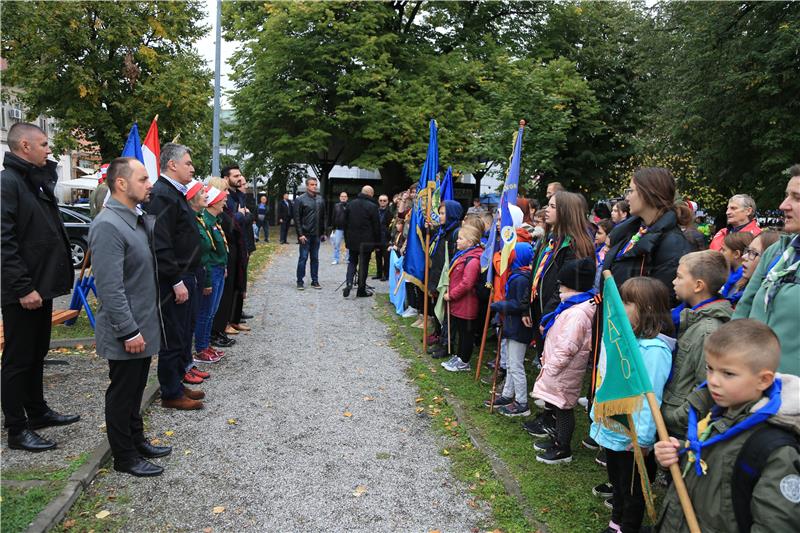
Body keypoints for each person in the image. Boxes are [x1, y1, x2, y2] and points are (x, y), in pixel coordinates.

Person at [654, 320, 799, 532]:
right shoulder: (718, 413)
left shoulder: (776, 449)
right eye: (709, 369)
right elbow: (713, 462)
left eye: (728, 373)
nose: (713, 380)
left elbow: (776, 525)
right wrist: (679, 453)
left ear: (763, 380)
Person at [89, 157, 170, 477]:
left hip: (142, 325)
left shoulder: (133, 219)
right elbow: (110, 288)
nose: (150, 184)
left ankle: (136, 440)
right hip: (128, 329)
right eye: (143, 179)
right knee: (122, 393)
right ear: (121, 184)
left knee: (136, 389)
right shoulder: (109, 224)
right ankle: (124, 456)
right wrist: (127, 331)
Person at [1, 122, 78, 452]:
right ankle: (17, 429)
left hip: (40, 288)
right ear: (24, 147)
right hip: (23, 292)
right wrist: (22, 287)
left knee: (37, 353)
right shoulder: (8, 183)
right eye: (44, 144)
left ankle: (37, 411)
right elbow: (4, 242)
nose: (50, 150)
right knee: (18, 360)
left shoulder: (34, 181)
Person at [590, 277, 673, 533]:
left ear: (647, 308)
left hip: (634, 439)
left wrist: (644, 440)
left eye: (626, 302)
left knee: (632, 489)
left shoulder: (654, 351)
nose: (618, 306)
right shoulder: (623, 342)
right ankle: (616, 523)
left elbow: (651, 401)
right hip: (615, 431)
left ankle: (628, 527)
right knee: (617, 482)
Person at [142, 143, 204, 411]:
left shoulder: (174, 193)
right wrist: (176, 279)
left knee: (182, 332)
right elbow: (161, 241)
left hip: (186, 273)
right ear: (172, 165)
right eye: (188, 163)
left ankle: (177, 382)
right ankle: (170, 391)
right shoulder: (163, 194)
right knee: (173, 335)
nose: (192, 168)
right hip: (174, 278)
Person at [733, 168, 800, 375]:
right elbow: (743, 310)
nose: (783, 206)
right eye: (786, 196)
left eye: (796, 198)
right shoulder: (776, 252)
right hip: (752, 387)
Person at [531, 258, 597, 464]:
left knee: (564, 408)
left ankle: (563, 449)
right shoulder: (571, 306)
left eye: (562, 284)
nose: (559, 287)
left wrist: (551, 367)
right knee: (558, 405)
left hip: (564, 370)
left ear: (572, 285)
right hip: (558, 368)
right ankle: (557, 440)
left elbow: (568, 346)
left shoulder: (578, 314)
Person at [663, 250, 732, 437]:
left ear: (698, 285)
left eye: (679, 277)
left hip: (681, 428)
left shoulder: (708, 331)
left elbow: (706, 387)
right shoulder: (691, 316)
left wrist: (676, 417)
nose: (673, 282)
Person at [603, 167, 692, 302]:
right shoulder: (635, 230)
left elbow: (658, 302)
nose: (626, 198)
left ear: (648, 193)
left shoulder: (673, 243)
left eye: (631, 191)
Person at [485, 242, 534, 417]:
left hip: (518, 328)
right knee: (511, 364)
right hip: (511, 326)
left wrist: (499, 305)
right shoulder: (517, 275)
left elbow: (518, 304)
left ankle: (522, 402)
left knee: (515, 365)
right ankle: (507, 394)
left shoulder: (521, 278)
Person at [192, 186, 229, 366]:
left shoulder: (215, 220)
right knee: (205, 312)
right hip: (211, 269)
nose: (225, 202)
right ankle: (201, 347)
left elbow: (219, 247)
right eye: (222, 199)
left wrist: (224, 263)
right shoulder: (205, 220)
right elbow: (206, 251)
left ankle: (206, 345)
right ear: (214, 202)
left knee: (212, 311)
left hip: (219, 267)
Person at [440, 225, 483, 372]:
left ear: (470, 242)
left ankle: (464, 362)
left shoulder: (472, 260)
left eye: (460, 238)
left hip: (467, 304)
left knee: (466, 334)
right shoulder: (463, 255)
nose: (457, 241)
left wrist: (451, 295)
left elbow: (467, 284)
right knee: (461, 331)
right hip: (459, 304)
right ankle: (459, 357)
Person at [343, 185, 380, 297]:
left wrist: (346, 239)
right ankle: (361, 290)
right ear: (370, 194)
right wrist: (377, 243)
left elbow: (345, 223)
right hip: (367, 241)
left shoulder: (351, 204)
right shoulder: (373, 207)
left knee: (352, 261)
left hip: (352, 239)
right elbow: (376, 226)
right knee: (364, 265)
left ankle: (349, 282)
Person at [728, 230, 780, 306]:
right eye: (747, 251)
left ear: (769, 259)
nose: (743, 257)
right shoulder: (739, 287)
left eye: (753, 253)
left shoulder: (767, 302)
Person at [294, 177, 326, 290]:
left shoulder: (320, 200)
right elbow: (297, 218)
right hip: (305, 235)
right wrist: (300, 234)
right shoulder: (300, 200)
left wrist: (323, 232)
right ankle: (300, 281)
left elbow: (323, 217)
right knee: (303, 258)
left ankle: (315, 281)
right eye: (312, 184)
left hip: (317, 234)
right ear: (307, 186)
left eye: (315, 184)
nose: (314, 186)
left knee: (315, 258)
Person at [719, 231, 754, 298]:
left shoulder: (742, 282)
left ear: (736, 254)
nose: (720, 252)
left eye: (723, 250)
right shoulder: (729, 273)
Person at [374, 194, 392, 281]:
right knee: (378, 256)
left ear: (387, 201)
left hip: (386, 237)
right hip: (377, 237)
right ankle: (379, 273)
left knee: (386, 257)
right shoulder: (375, 211)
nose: (382, 202)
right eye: (381, 200)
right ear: (378, 201)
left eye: (384, 200)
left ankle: (386, 274)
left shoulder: (390, 212)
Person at [330, 191, 348, 265]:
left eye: (345, 196)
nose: (343, 198)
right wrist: (333, 228)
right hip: (338, 228)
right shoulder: (336, 206)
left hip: (348, 228)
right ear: (340, 198)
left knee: (349, 245)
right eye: (342, 196)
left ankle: (348, 259)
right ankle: (336, 259)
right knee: (336, 244)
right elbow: (333, 216)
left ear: (347, 198)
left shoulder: (349, 206)